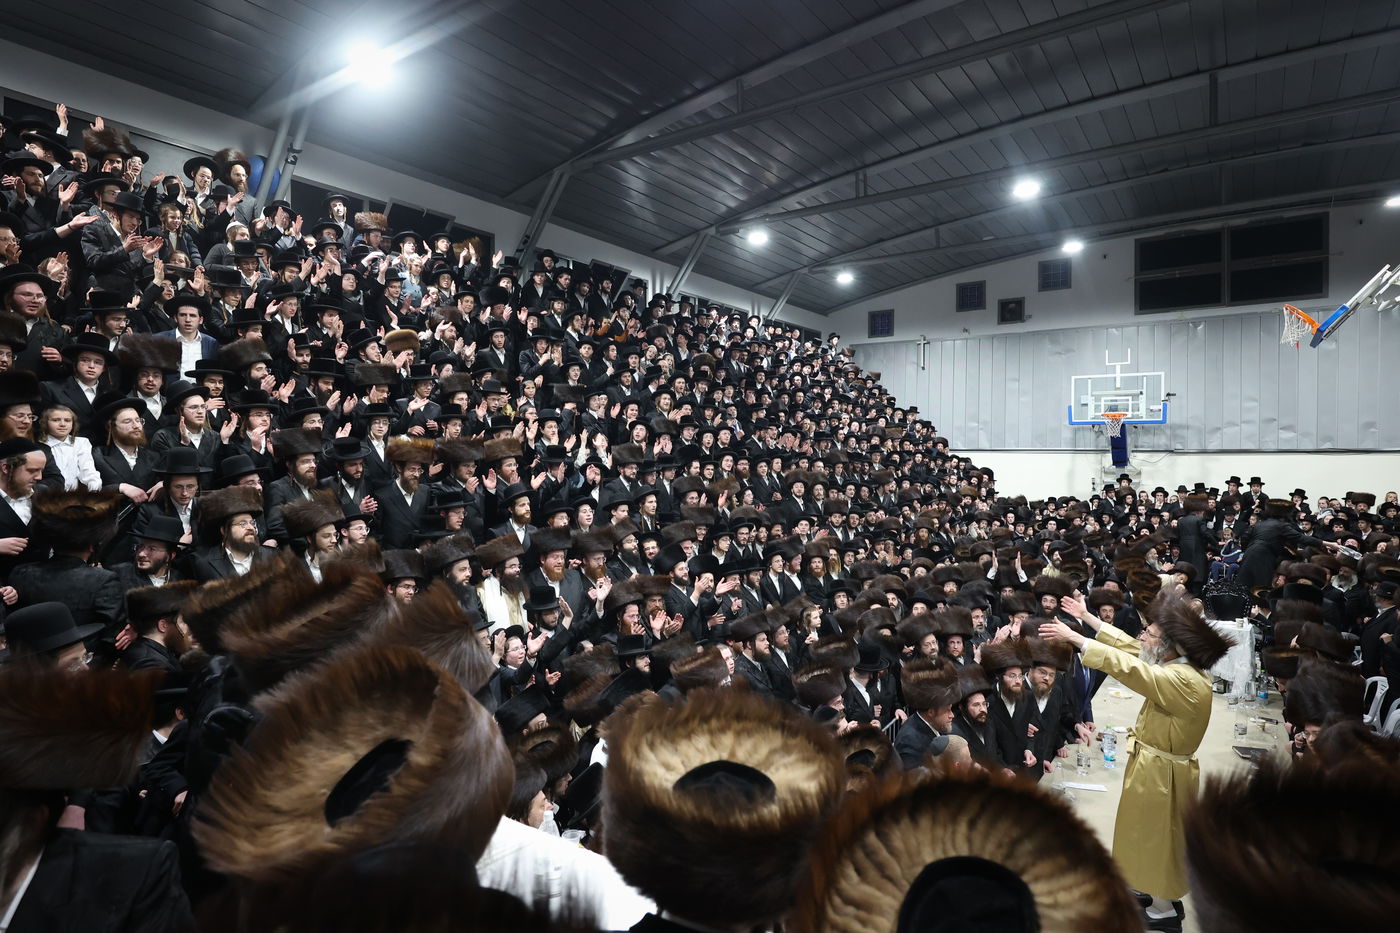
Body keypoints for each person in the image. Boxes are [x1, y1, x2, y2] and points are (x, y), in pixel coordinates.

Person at [1041, 588, 1232, 930]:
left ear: (1169, 643)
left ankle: (1163, 910)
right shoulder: (1176, 662)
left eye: (1151, 633)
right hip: (1158, 764)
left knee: (1157, 837)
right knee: (1147, 834)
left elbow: (1132, 668)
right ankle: (1153, 891)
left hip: (1162, 770)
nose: (1144, 637)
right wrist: (1088, 619)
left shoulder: (1182, 680)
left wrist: (1077, 639)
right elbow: (1133, 649)